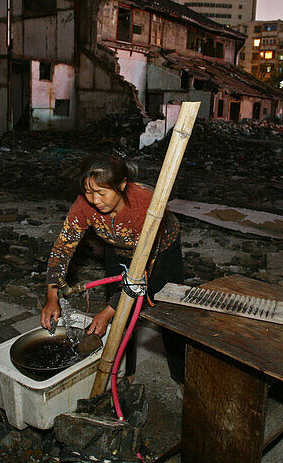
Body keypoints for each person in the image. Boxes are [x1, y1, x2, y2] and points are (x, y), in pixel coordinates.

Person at [39, 154, 185, 379]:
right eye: (88, 192)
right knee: (120, 315)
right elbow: (63, 246)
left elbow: (142, 272)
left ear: (122, 185)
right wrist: (52, 295)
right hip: (117, 248)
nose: (94, 200)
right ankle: (127, 374)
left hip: (160, 252)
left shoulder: (145, 207)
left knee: (169, 313)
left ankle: (181, 377)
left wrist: (107, 312)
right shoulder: (85, 205)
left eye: (101, 193)